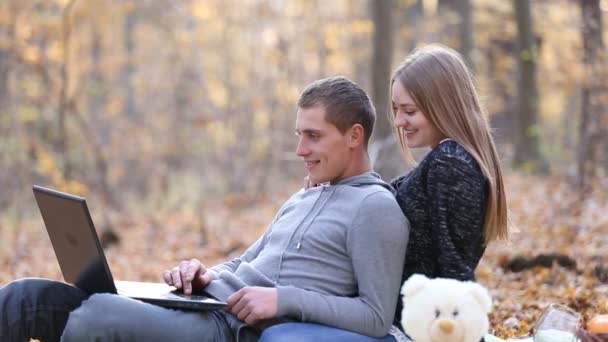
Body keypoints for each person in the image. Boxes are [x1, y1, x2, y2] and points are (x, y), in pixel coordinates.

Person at [0, 76, 409, 342]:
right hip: (205, 304)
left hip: (228, 329)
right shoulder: (305, 194)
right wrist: (204, 272)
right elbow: (247, 261)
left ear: (355, 136)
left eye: (314, 137)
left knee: (97, 316)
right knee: (26, 296)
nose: (300, 150)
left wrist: (284, 299)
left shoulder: (375, 207)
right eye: (299, 135)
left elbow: (375, 316)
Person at [259, 44, 509, 341]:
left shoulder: (451, 164)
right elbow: (389, 196)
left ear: (444, 104)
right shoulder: (442, 161)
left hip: (411, 330)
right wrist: (331, 186)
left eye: (409, 111)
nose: (400, 122)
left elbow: (454, 270)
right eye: (396, 110)